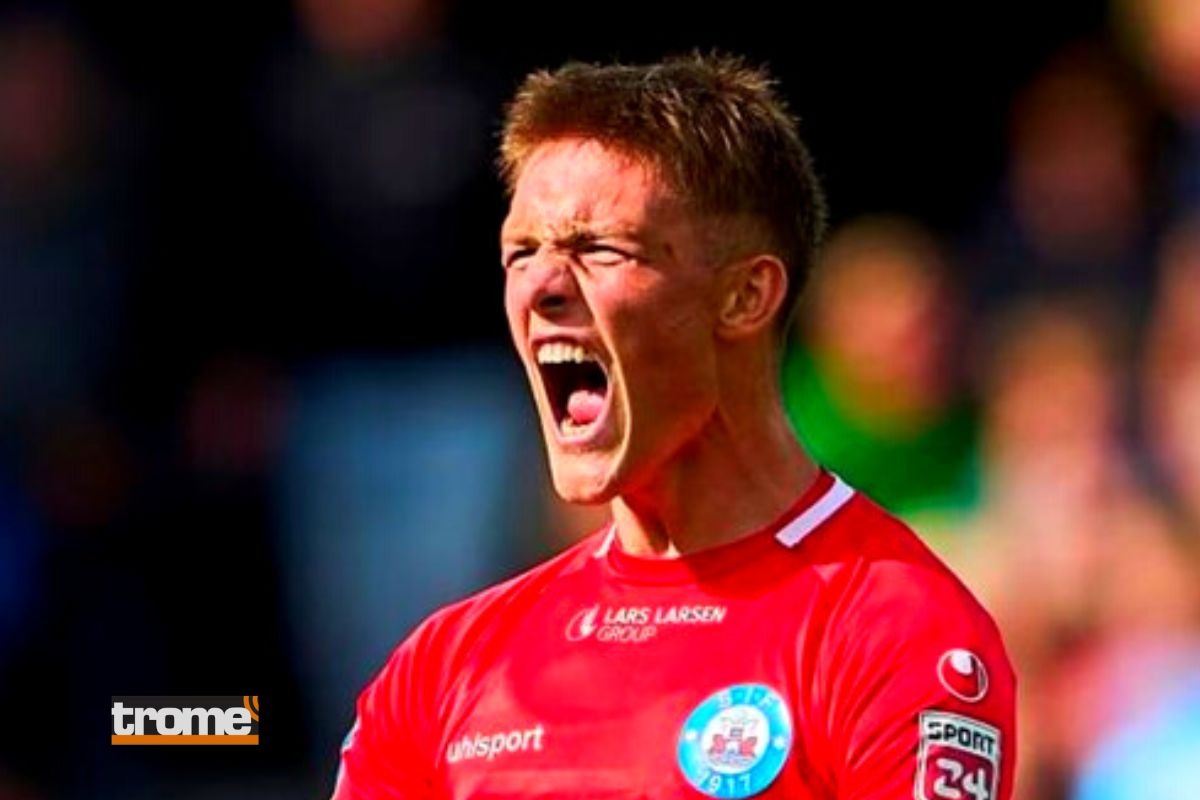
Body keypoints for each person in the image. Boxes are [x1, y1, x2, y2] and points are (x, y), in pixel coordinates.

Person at [331, 53, 1016, 799]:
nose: (542, 287)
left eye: (598, 248)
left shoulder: (895, 632)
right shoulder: (442, 667)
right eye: (521, 252)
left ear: (745, 296)